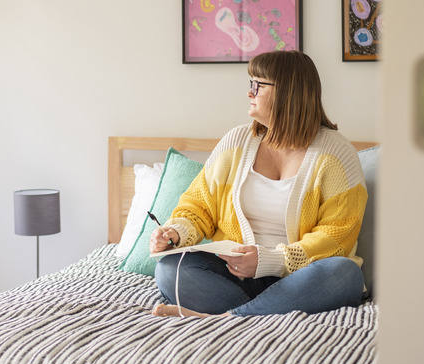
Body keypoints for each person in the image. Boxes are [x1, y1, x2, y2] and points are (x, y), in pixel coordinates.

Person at [150, 50, 368, 318]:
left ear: (289, 92)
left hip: (299, 280)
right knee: (170, 267)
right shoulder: (236, 142)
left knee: (344, 274)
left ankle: (226, 318)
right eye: (249, 84)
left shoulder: (336, 154)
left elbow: (337, 236)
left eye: (257, 85)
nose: (249, 93)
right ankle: (258, 313)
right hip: (233, 276)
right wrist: (175, 232)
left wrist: (270, 262)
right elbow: (198, 206)